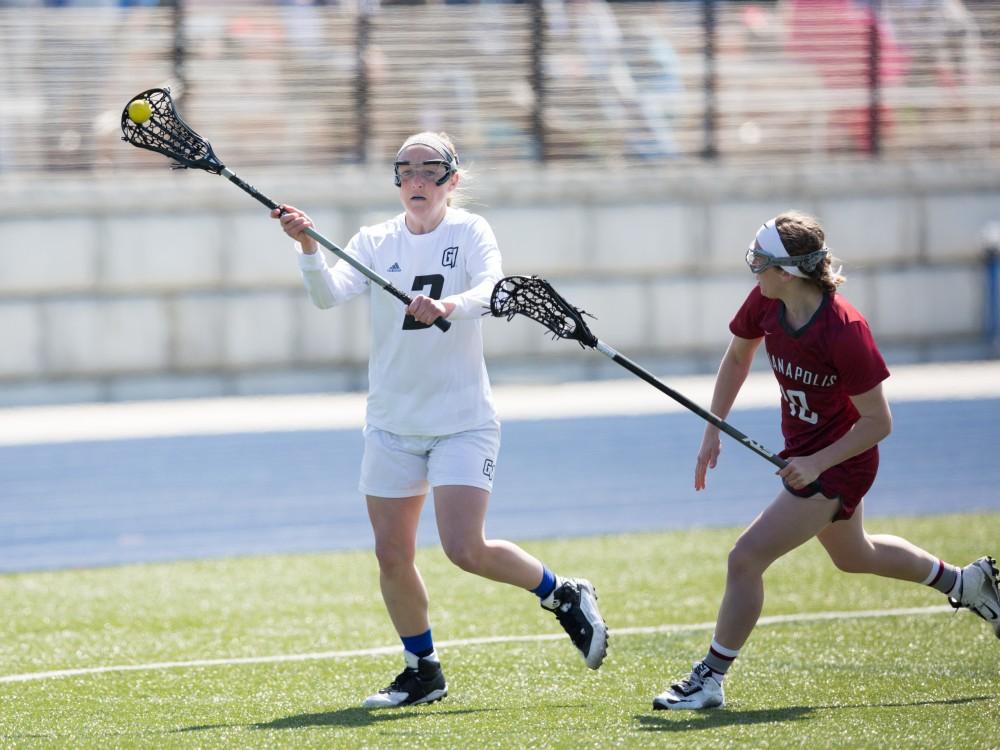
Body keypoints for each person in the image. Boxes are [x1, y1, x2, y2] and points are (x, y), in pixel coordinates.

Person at [272, 131, 608, 709]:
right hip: (392, 422)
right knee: (392, 555)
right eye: (406, 171)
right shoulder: (374, 239)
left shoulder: (469, 231)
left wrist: (448, 305)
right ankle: (421, 670)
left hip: (461, 420)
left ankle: (562, 593)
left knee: (464, 548)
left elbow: (492, 287)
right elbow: (328, 295)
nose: (417, 182)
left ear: (452, 180)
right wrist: (307, 247)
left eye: (430, 171)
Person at [653, 211, 1000, 711]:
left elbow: (879, 422)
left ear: (788, 272)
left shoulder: (845, 330)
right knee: (854, 555)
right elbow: (736, 358)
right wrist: (712, 429)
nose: (755, 271)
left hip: (842, 460)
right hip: (809, 455)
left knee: (745, 558)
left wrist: (816, 463)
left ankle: (709, 678)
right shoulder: (766, 302)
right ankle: (965, 582)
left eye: (761, 262)